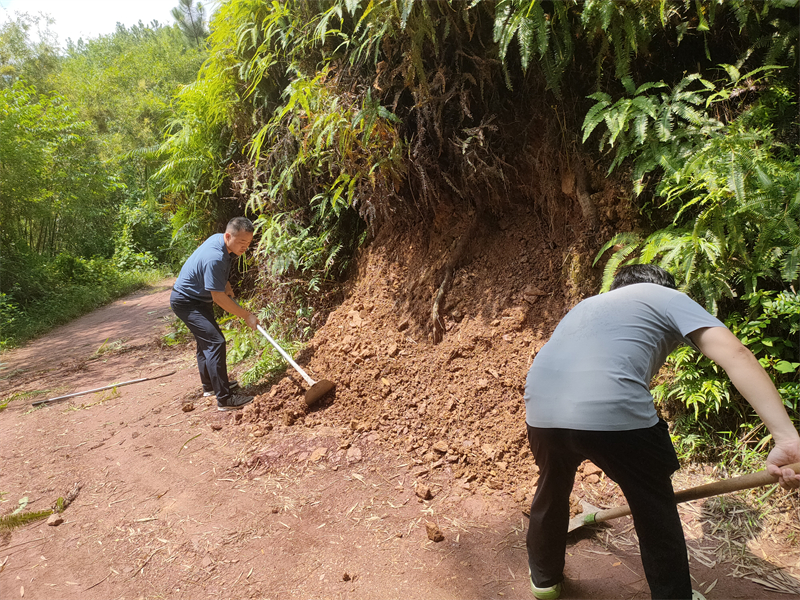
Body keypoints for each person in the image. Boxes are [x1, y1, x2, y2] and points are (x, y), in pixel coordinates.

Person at [523, 264, 800, 600]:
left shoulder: (587, 305)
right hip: (611, 410)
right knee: (653, 506)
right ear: (664, 285)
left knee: (551, 488)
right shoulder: (664, 296)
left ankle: (544, 581)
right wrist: (787, 437)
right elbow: (735, 354)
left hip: (540, 410)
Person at [170, 217, 260, 411]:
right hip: (187, 301)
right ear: (228, 236)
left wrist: (224, 282)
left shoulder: (220, 241)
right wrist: (246, 315)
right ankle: (225, 399)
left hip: (196, 299)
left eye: (248, 243)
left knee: (206, 341)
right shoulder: (215, 257)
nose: (245, 247)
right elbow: (218, 298)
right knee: (215, 342)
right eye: (242, 243)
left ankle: (210, 386)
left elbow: (215, 273)